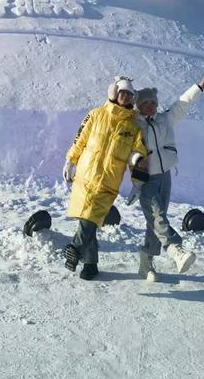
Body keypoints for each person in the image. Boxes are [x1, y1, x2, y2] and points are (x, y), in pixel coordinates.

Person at [62, 76, 148, 280]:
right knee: (86, 219)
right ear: (114, 93)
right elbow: (80, 138)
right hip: (85, 175)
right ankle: (90, 264)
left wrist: (137, 180)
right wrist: (70, 161)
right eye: (122, 93)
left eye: (129, 95)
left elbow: (138, 153)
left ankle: (75, 248)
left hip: (108, 181)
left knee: (91, 217)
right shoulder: (96, 114)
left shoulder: (134, 126)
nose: (125, 97)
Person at [132, 75, 204, 281]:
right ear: (138, 105)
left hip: (165, 176)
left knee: (155, 222)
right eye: (145, 103)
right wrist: (137, 159)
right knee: (158, 217)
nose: (149, 106)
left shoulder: (164, 119)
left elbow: (182, 105)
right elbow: (126, 149)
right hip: (145, 178)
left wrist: (198, 88)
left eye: (152, 103)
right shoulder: (133, 125)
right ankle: (175, 249)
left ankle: (145, 263)